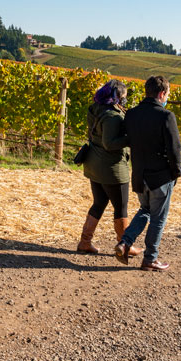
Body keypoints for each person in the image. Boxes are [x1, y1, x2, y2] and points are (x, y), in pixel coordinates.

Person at [114, 76, 181, 271]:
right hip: (160, 176)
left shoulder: (131, 114)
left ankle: (125, 242)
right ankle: (150, 258)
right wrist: (176, 172)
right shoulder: (166, 116)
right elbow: (174, 149)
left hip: (139, 175)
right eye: (167, 94)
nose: (167, 98)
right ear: (161, 94)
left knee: (145, 210)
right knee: (158, 219)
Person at [76, 79, 142, 258]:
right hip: (112, 169)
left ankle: (85, 242)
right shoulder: (112, 116)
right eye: (124, 97)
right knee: (121, 208)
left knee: (99, 203)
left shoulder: (95, 109)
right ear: (117, 97)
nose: (125, 100)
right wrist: (131, 138)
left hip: (94, 165)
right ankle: (124, 245)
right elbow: (109, 143)